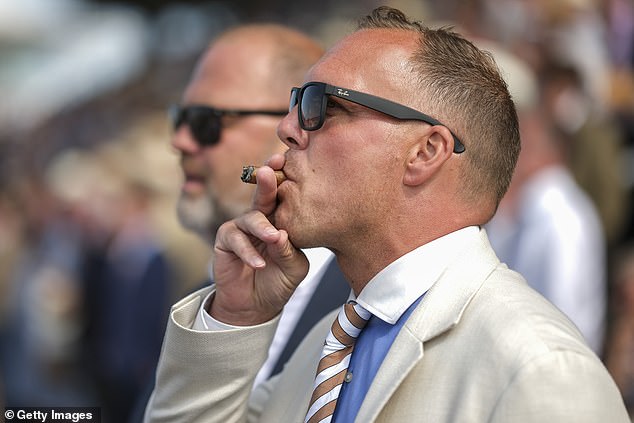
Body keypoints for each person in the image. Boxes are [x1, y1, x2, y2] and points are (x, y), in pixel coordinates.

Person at [145, 7, 629, 422]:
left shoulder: (541, 369)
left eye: (320, 105)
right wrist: (236, 318)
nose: (288, 128)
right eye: (295, 103)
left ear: (425, 152)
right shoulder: (323, 347)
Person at [166, 23, 350, 388]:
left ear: (296, 123)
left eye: (206, 122)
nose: (180, 141)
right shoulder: (201, 300)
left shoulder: (364, 297)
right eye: (180, 118)